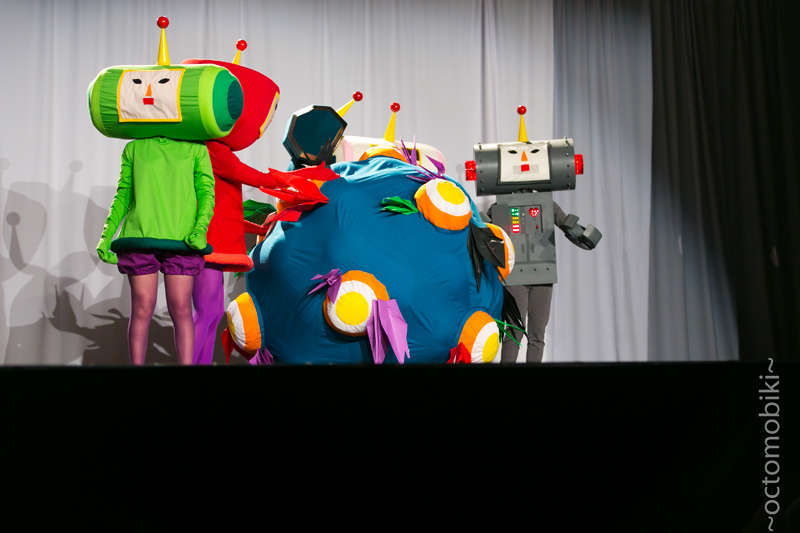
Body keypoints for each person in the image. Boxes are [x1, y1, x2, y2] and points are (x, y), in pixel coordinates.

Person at [96, 137, 215, 365]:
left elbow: (206, 193)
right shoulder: (134, 148)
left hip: (182, 239)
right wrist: (106, 235)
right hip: (140, 236)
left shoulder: (196, 149)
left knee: (181, 308)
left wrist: (200, 228)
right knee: (142, 308)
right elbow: (124, 194)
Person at [499, 201, 591, 363]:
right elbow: (486, 226)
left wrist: (585, 237)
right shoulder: (505, 204)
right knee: (515, 329)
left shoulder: (547, 204)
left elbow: (565, 222)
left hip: (542, 274)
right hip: (515, 274)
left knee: (537, 332)